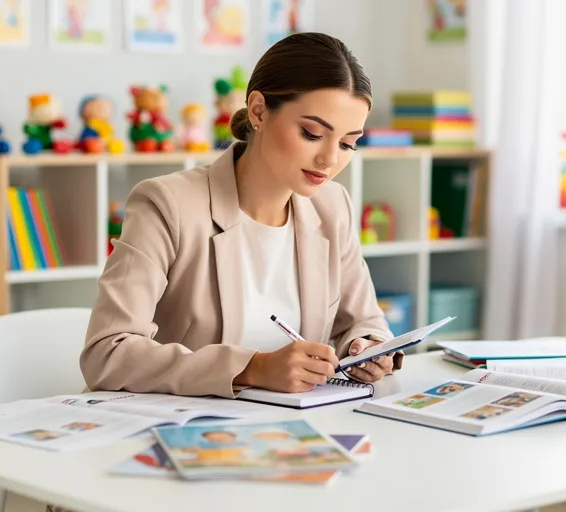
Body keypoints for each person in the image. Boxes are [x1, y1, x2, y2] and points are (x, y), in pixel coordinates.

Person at [80, 32, 401, 401]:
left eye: (347, 143)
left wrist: (367, 346)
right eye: (312, 134)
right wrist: (254, 368)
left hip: (290, 423)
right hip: (181, 423)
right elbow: (107, 352)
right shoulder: (167, 204)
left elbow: (363, 321)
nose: (330, 159)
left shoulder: (333, 206)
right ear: (259, 111)